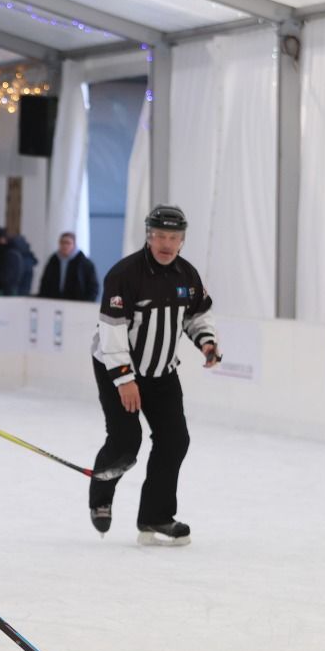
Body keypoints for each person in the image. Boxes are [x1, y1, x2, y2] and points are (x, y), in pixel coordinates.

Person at [88, 204, 220, 545]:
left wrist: (206, 342)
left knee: (175, 440)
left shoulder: (187, 276)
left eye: (173, 237)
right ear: (149, 236)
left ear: (182, 240)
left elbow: (197, 315)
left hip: (161, 371)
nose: (166, 243)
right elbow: (112, 333)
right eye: (160, 236)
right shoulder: (124, 275)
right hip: (116, 368)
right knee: (125, 441)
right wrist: (125, 379)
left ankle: (155, 517)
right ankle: (101, 494)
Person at [37, 231, 99, 302]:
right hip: (54, 301)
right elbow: (45, 282)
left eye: (68, 243)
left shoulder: (85, 263)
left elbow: (93, 287)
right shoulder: (53, 261)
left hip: (77, 302)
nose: (65, 246)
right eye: (62, 243)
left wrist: (87, 302)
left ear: (74, 245)